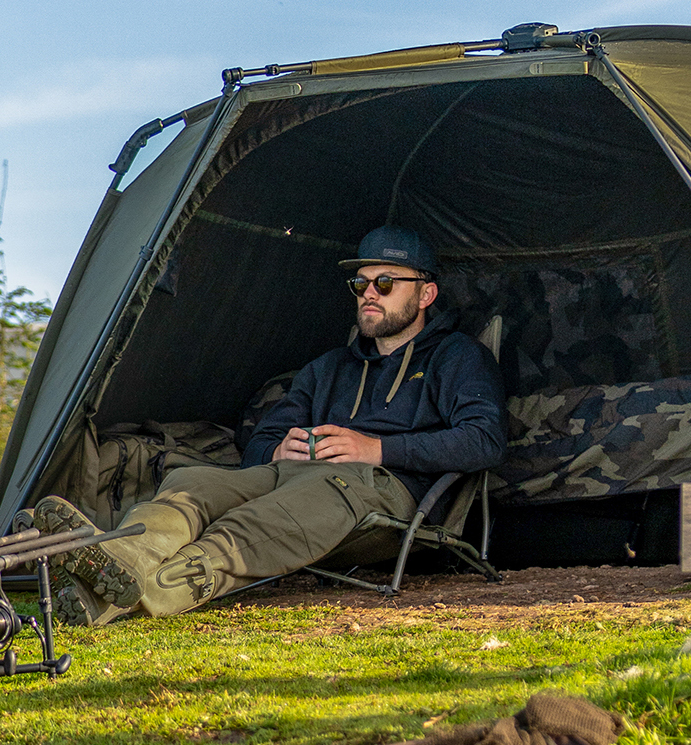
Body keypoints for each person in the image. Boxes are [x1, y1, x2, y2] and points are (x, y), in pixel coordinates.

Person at [26, 226, 507, 623]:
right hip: (294, 475)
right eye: (360, 284)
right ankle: (122, 561)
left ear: (426, 293)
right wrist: (276, 451)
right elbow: (263, 438)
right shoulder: (329, 368)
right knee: (192, 484)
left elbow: (485, 440)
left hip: (383, 493)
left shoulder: (457, 357)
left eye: (385, 283)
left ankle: (152, 591)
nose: (368, 294)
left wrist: (376, 449)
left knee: (280, 510)